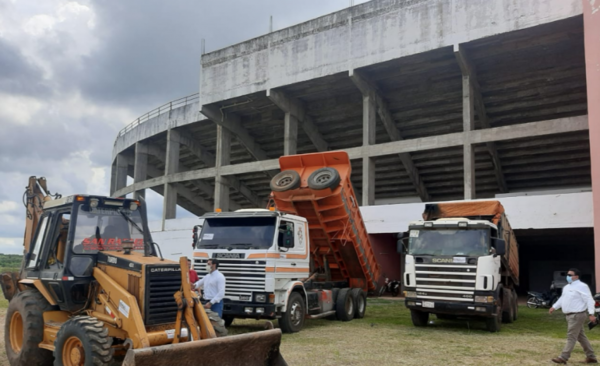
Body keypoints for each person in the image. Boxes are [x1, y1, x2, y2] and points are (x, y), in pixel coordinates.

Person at [549, 268, 597, 364]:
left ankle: (563, 357)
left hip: (577, 315)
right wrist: (554, 307)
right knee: (581, 337)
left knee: (571, 336)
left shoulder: (582, 286)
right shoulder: (567, 287)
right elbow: (562, 298)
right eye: (568, 274)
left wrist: (591, 313)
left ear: (577, 276)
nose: (568, 276)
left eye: (570, 275)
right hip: (569, 315)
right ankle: (591, 357)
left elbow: (589, 300)